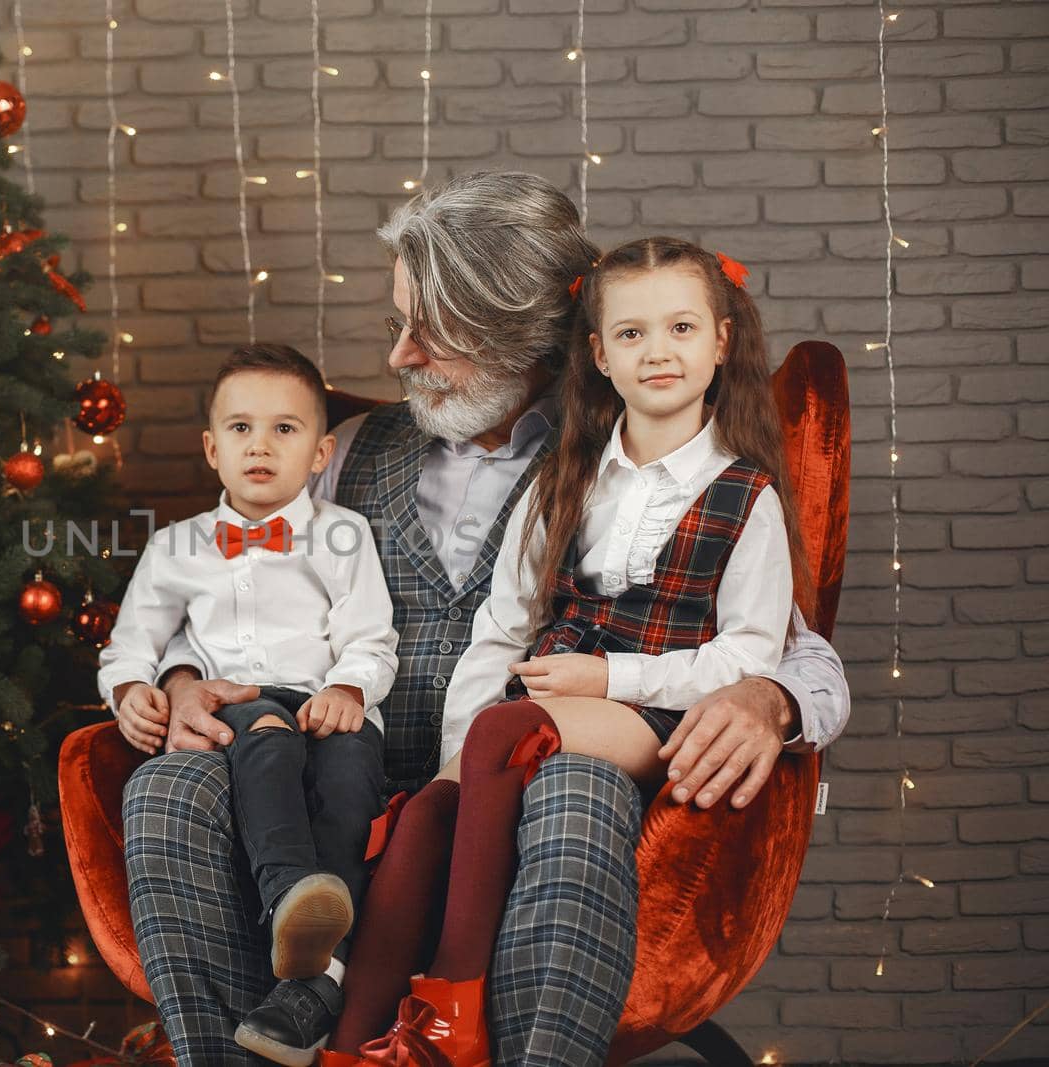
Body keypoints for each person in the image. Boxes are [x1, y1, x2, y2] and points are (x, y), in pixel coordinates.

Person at [122, 171, 851, 1067]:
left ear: (528, 339)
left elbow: (797, 654)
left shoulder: (617, 464)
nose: (397, 358)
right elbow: (235, 592)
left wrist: (768, 699)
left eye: (433, 334)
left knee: (576, 788)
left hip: (518, 801)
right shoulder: (338, 452)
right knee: (167, 787)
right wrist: (183, 679)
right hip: (337, 781)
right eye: (400, 325)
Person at [328, 236, 815, 1063]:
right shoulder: (569, 476)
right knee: (424, 816)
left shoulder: (746, 495)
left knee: (501, 732)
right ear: (597, 354)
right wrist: (451, 768)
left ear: (723, 340)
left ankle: (453, 1003)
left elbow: (749, 656)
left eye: (682, 329)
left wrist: (607, 674)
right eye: (631, 334)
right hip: (551, 705)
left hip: (656, 710)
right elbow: (504, 624)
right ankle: (349, 1046)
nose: (658, 352)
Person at [98, 343, 399, 1067]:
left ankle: (318, 964)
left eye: (285, 429)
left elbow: (371, 635)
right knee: (266, 733)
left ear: (322, 451)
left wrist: (349, 689)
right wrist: (133, 691)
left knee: (353, 767)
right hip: (238, 699)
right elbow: (129, 644)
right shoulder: (175, 547)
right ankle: (290, 895)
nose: (260, 444)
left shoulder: (343, 534)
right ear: (211, 447)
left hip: (325, 698)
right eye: (240, 428)